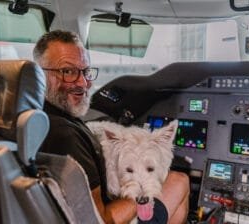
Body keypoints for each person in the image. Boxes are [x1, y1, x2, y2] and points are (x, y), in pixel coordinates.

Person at [33, 29, 190, 224]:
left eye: (85, 71)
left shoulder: (35, 117)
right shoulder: (65, 135)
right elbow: (99, 219)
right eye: (68, 71)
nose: (83, 83)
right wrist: (145, 193)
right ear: (38, 74)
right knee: (179, 180)